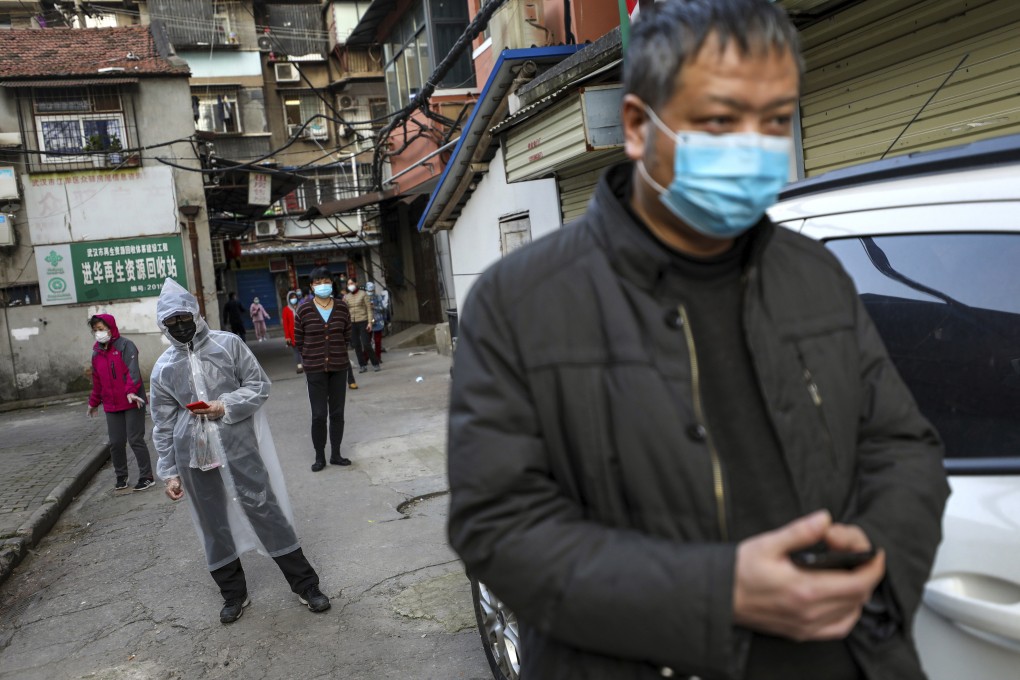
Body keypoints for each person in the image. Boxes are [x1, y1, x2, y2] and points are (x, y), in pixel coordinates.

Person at [446, 2, 950, 679]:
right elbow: (498, 528)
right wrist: (720, 593)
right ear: (637, 126)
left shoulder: (816, 275)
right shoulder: (518, 304)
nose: (753, 147)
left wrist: (874, 562)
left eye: (774, 121)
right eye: (719, 120)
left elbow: (902, 446)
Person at [149, 278, 330, 624]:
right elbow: (163, 423)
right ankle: (233, 594)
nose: (180, 326)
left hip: (237, 444)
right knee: (212, 521)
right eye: (171, 322)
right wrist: (169, 472)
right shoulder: (163, 368)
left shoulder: (228, 345)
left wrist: (225, 405)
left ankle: (306, 585)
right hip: (193, 455)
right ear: (163, 326)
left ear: (195, 314)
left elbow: (258, 385)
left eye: (184, 318)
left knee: (265, 509)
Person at [86, 313, 154, 492]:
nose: (98, 333)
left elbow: (132, 372)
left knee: (135, 439)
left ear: (111, 328)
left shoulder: (126, 346)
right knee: (115, 442)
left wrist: (131, 391)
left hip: (133, 401)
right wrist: (93, 402)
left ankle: (147, 476)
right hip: (111, 404)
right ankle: (121, 476)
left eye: (101, 329)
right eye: (95, 330)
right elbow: (97, 381)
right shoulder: (96, 353)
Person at [294, 267, 353, 471]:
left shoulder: (342, 307)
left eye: (325, 281)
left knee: (337, 413)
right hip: (315, 369)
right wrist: (311, 357)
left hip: (339, 366)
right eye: (317, 282)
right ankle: (320, 457)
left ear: (332, 283)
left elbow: (347, 335)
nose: (322, 286)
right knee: (319, 414)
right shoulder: (304, 310)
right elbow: (299, 340)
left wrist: (336, 352)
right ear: (311, 286)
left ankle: (336, 454)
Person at [342, 276, 379, 373]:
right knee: (356, 345)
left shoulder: (363, 294)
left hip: (363, 321)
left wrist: (370, 322)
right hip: (352, 323)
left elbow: (369, 309)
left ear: (356, 283)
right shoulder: (347, 297)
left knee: (366, 343)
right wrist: (343, 303)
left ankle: (375, 363)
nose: (350, 285)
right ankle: (362, 365)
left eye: (351, 283)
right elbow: (345, 310)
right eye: (348, 284)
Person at [281, 290, 303, 373]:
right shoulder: (286, 310)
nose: (294, 299)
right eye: (292, 298)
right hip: (293, 334)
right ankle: (299, 366)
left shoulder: (301, 307)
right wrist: (287, 337)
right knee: (296, 350)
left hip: (303, 332)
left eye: (295, 297)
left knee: (304, 349)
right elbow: (285, 324)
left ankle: (306, 364)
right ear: (288, 299)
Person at [366, 282, 387, 364]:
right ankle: (365, 358)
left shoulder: (378, 297)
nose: (370, 292)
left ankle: (378, 357)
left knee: (378, 341)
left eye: (371, 290)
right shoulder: (364, 298)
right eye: (369, 290)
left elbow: (382, 308)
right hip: (368, 321)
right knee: (366, 341)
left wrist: (374, 307)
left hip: (378, 321)